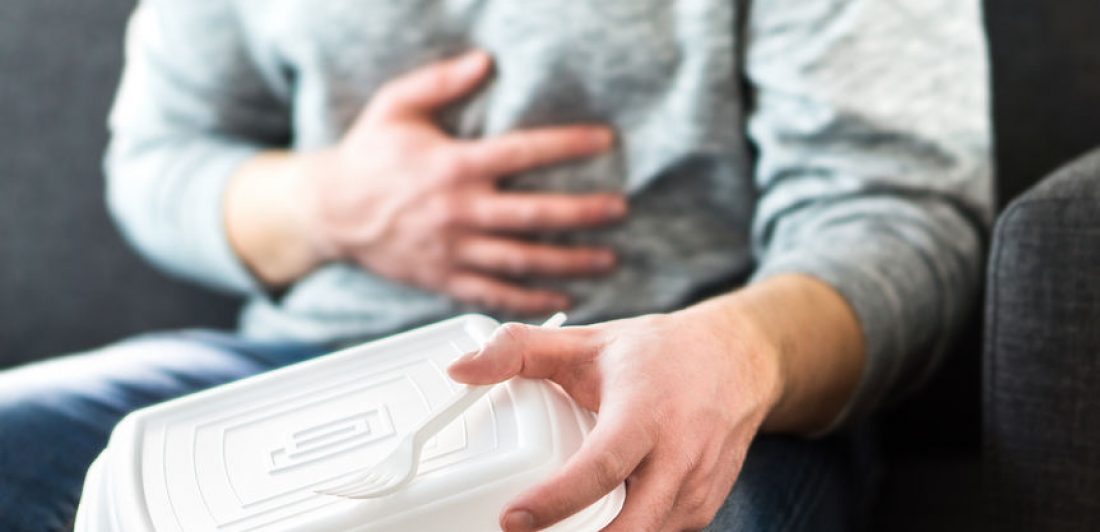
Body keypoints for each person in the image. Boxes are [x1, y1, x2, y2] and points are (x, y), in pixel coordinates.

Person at [0, 0, 992, 530]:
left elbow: (899, 214)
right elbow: (161, 157)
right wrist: (328, 201)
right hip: (301, 369)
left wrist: (734, 351)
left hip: (671, 374)